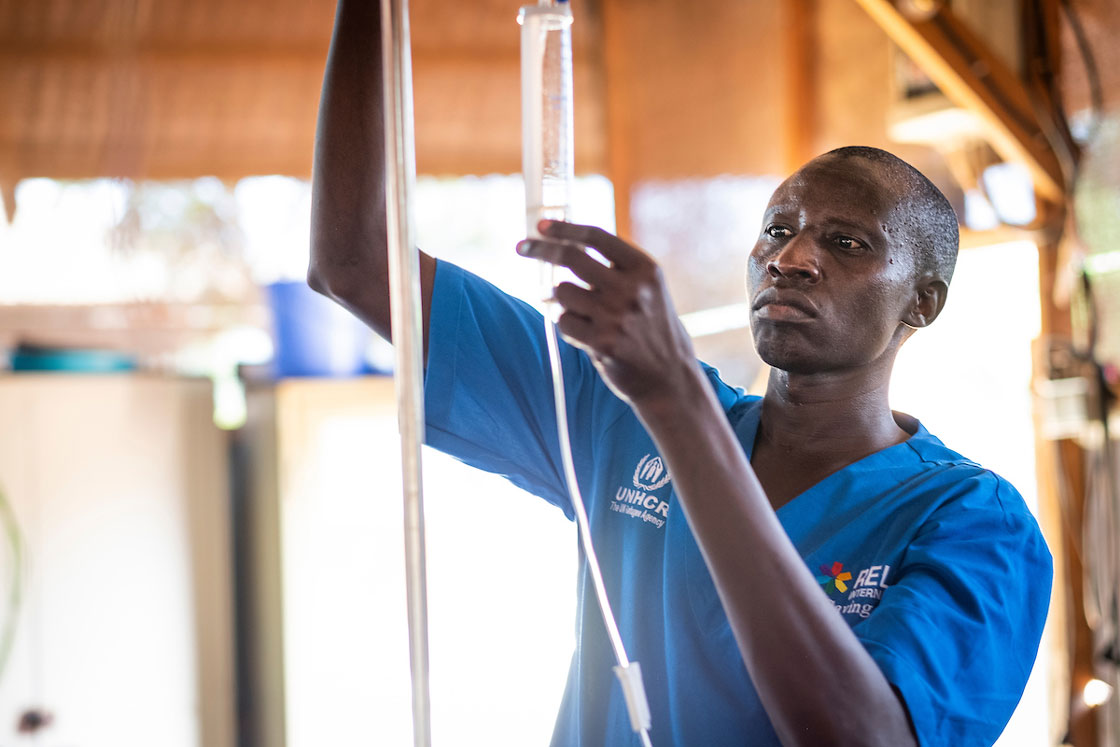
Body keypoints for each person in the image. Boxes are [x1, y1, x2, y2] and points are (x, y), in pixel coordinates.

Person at [308, 2, 1052, 745]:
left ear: (923, 302)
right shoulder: (616, 412)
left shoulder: (973, 524)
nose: (790, 258)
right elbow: (354, 263)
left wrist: (676, 404)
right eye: (777, 229)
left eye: (848, 241)